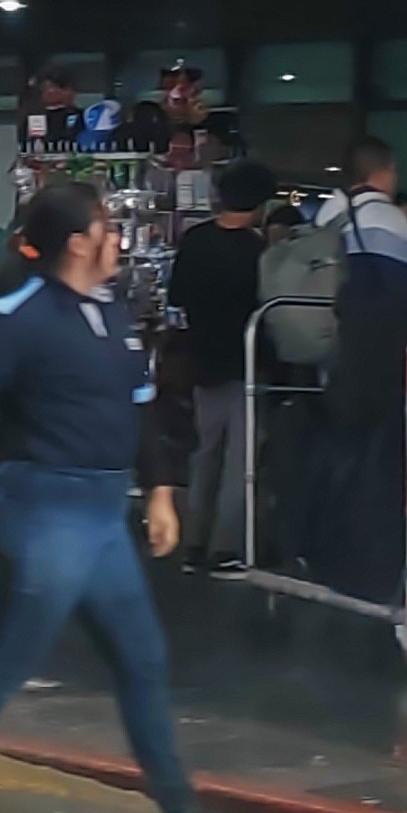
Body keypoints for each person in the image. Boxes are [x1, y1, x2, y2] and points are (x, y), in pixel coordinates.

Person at [0, 181, 266, 813]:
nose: (117, 239)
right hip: (44, 508)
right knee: (9, 661)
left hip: (103, 515)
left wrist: (160, 492)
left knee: (143, 660)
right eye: (107, 229)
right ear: (77, 243)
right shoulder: (16, 318)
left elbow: (142, 412)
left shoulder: (112, 312)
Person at [314, 137, 407, 600]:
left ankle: (323, 547)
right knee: (380, 456)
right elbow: (405, 291)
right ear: (384, 171)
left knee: (340, 448)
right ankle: (370, 557)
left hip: (332, 349)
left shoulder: (326, 214)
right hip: (378, 355)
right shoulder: (385, 215)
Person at [168, 162, 275, 564]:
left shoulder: (195, 241)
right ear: (259, 203)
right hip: (247, 364)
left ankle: (194, 542)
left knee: (205, 452)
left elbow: (177, 297)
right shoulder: (257, 250)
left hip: (202, 362)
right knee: (241, 461)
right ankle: (226, 548)